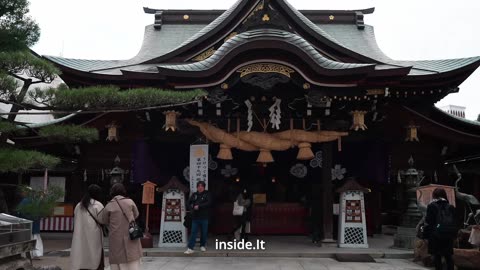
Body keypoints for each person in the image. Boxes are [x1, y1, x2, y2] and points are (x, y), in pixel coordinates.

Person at [98, 183, 142, 270]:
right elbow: (136, 214)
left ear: (112, 192)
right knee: (132, 258)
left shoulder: (109, 205)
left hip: (116, 236)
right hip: (131, 233)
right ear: (123, 191)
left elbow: (104, 220)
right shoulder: (130, 201)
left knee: (118, 259)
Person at [70, 184, 105, 270]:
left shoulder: (79, 205)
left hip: (79, 234)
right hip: (94, 234)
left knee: (81, 252)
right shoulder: (98, 205)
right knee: (94, 252)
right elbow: (103, 220)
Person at [424, 188, 456, 270]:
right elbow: (455, 221)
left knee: (437, 256)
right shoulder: (451, 207)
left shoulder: (431, 206)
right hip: (448, 234)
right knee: (448, 256)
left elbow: (429, 220)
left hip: (436, 234)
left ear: (434, 195)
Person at [184, 181, 211, 254]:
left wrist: (199, 206)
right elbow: (188, 203)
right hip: (195, 217)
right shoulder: (194, 194)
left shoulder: (207, 194)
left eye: (201, 186)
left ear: (204, 187)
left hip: (204, 217)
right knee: (193, 232)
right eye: (198, 186)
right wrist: (191, 208)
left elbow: (209, 203)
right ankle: (190, 248)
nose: (200, 187)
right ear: (197, 187)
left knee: (204, 232)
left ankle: (202, 245)